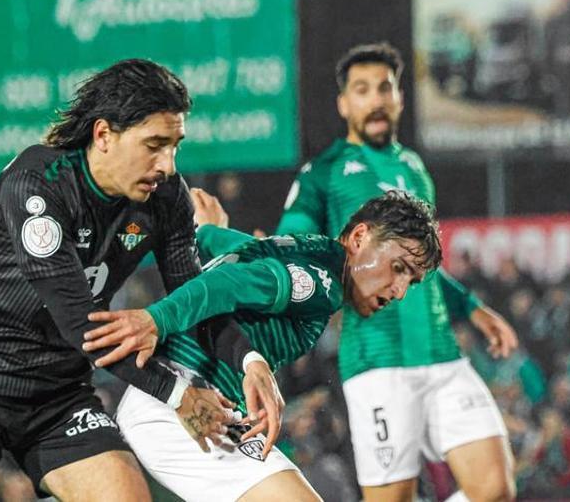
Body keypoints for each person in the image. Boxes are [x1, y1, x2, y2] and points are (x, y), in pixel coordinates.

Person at [0, 59, 273, 501]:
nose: (167, 164)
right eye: (154, 146)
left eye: (175, 146)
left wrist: (249, 361)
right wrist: (179, 393)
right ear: (104, 135)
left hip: (59, 397)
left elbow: (194, 299)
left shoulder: (166, 199)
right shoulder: (36, 186)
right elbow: (81, 324)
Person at [85, 189, 443, 501]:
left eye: (411, 282)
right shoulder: (322, 284)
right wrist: (156, 320)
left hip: (188, 405)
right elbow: (229, 280)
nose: (398, 290)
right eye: (398, 267)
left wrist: (208, 231)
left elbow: (237, 252)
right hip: (180, 402)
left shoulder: (307, 249)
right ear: (360, 237)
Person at [278, 42, 518, 501]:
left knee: (495, 490)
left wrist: (473, 307)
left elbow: (422, 268)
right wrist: (287, 251)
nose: (377, 99)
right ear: (344, 103)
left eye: (385, 88)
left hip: (442, 354)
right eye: (363, 90)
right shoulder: (323, 174)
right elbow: (296, 237)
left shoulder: (414, 167)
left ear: (400, 98)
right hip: (377, 362)